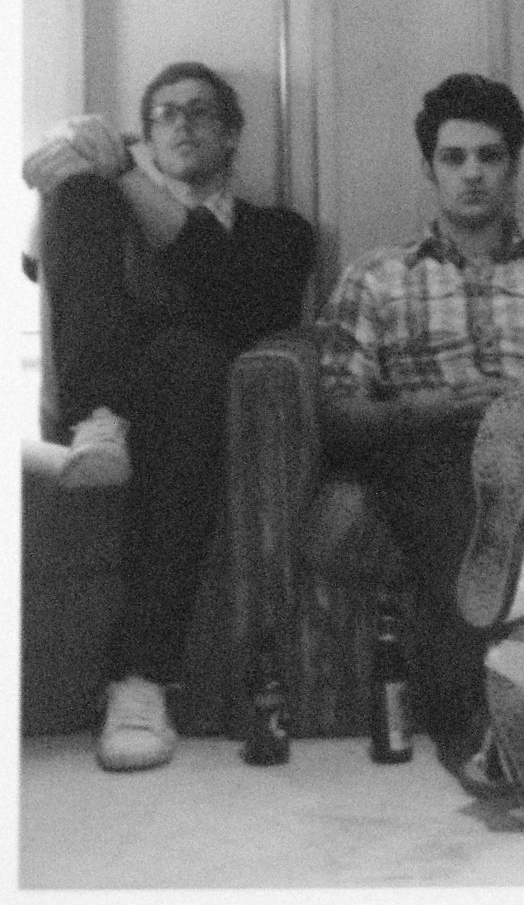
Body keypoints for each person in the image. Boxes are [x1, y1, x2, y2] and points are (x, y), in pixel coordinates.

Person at [317, 73, 524, 831]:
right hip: (430, 446)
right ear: (429, 167)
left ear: (513, 165)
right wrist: (425, 407)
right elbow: (336, 413)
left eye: (490, 156)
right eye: (454, 157)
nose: (472, 173)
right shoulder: (377, 275)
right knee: (470, 510)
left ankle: (493, 740)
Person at [21, 61, 315, 771]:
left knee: (190, 358)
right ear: (148, 136)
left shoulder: (279, 230)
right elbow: (38, 265)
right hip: (101, 415)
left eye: (199, 111)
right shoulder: (105, 207)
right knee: (79, 190)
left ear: (233, 134)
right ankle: (98, 416)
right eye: (164, 114)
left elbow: (228, 285)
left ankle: (140, 681)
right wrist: (60, 169)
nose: (180, 124)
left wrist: (122, 166)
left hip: (195, 415)